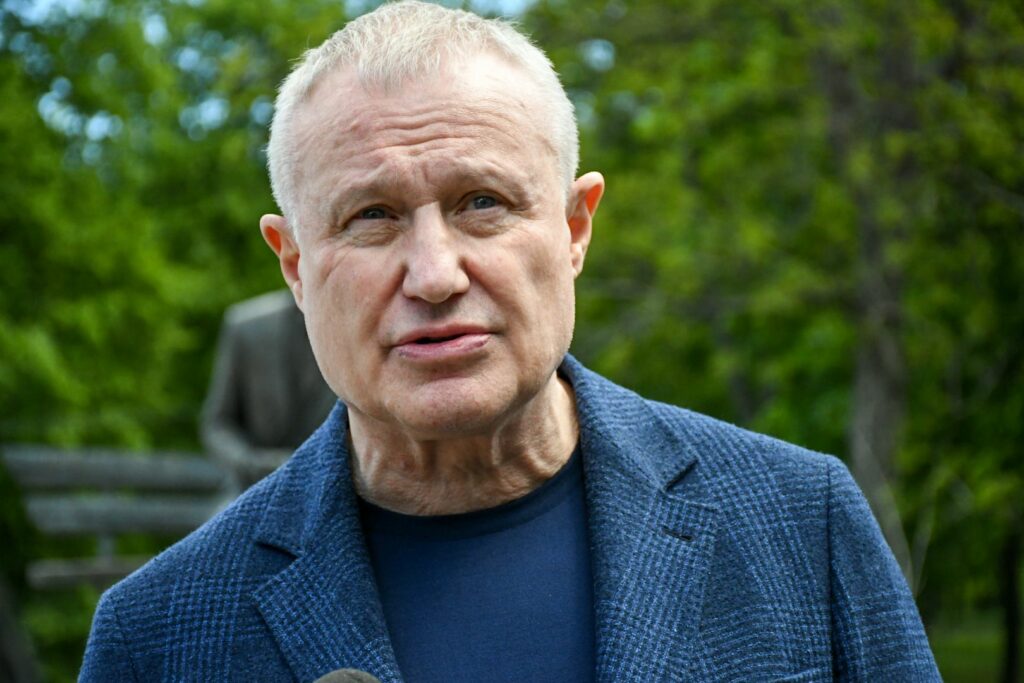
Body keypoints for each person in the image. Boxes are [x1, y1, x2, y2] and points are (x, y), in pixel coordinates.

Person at [80, 2, 941, 681]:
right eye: (372, 215)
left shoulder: (805, 524)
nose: (434, 274)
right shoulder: (156, 635)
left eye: (482, 203)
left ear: (575, 227)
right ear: (296, 265)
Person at [201, 289, 336, 493]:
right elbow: (218, 424)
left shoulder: (355, 327)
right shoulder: (250, 327)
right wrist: (250, 463)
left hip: (329, 488)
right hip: (252, 486)